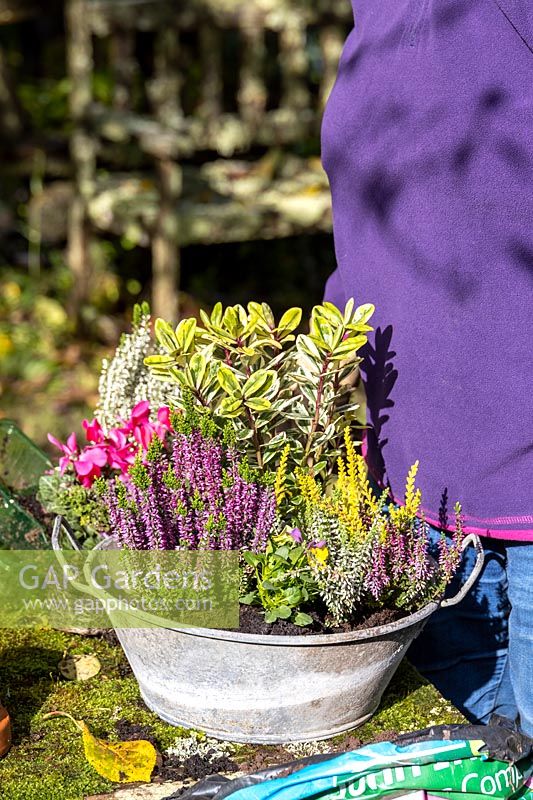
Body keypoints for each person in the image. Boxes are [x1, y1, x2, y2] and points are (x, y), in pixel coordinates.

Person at [320, 0, 533, 734]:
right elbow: (377, 213)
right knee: (461, 758)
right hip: (418, 483)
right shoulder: (374, 15)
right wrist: (330, 332)